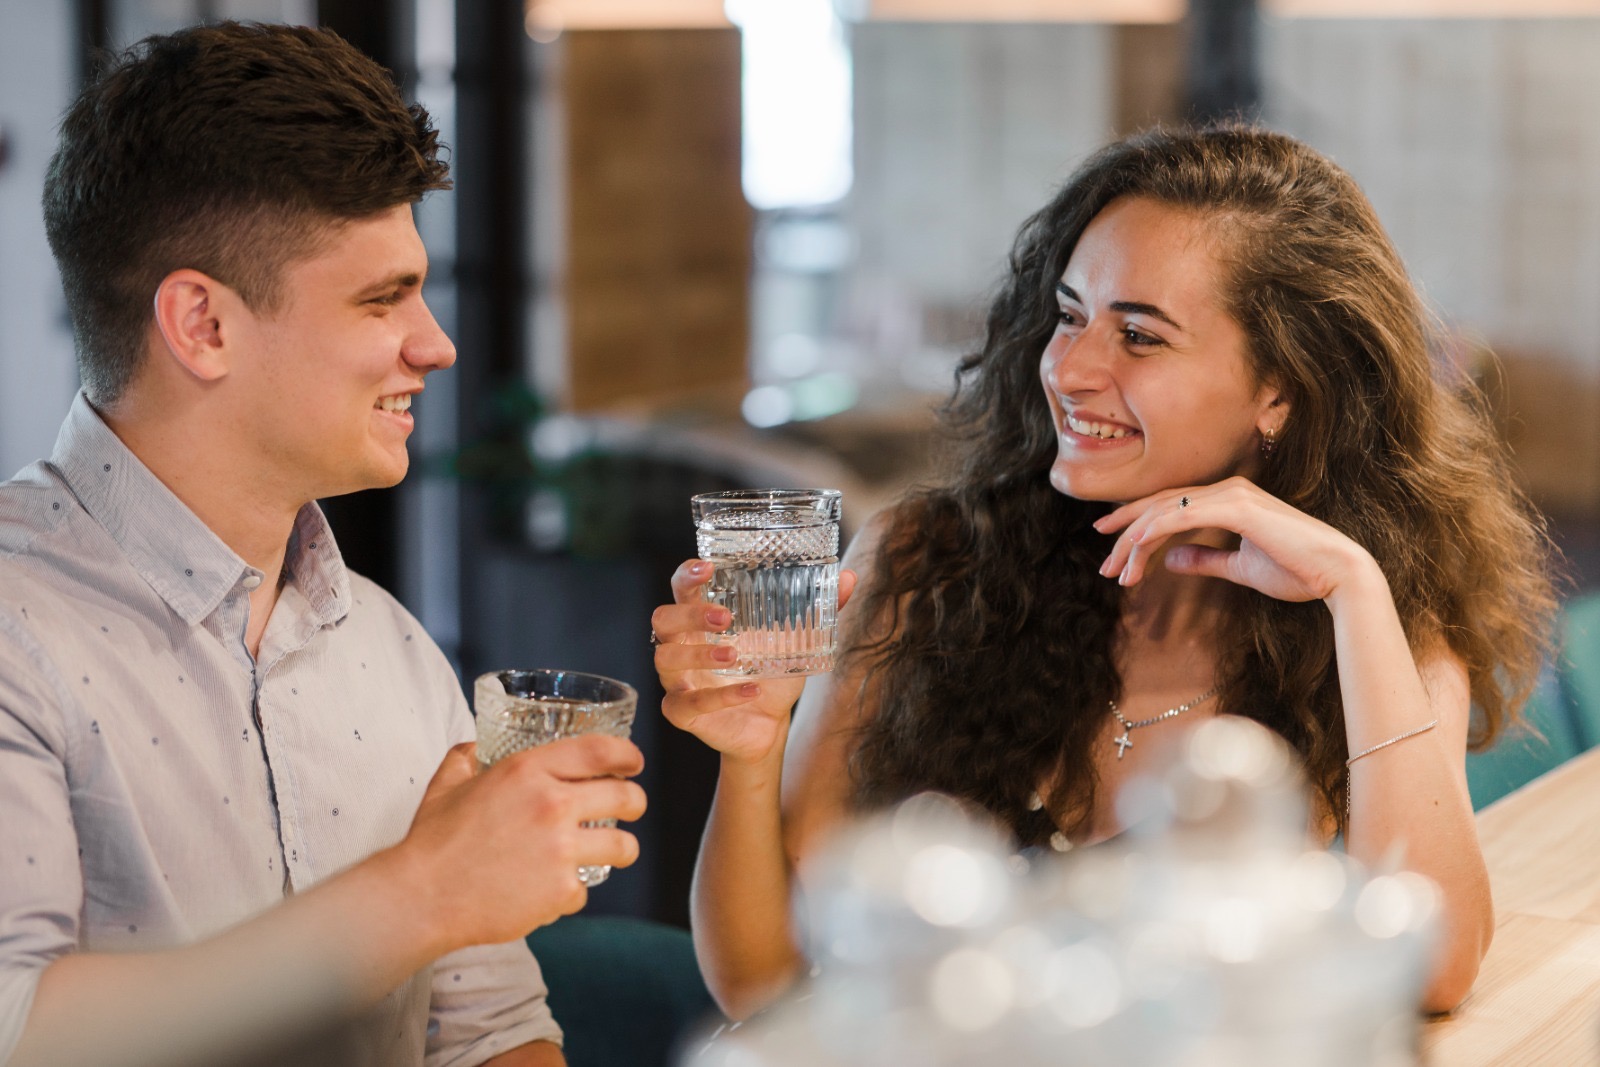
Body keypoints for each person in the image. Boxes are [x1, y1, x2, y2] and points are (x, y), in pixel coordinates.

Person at [651, 124, 1556, 1020]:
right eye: (1072, 315)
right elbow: (765, 987)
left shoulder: (1378, 633)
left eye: (1141, 336)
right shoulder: (923, 568)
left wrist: (1354, 592)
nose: (1070, 367)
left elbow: (1432, 968)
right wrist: (752, 749)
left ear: (1279, 389)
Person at [0, 22, 646, 1067]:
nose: (434, 343)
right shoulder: (15, 633)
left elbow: (493, 1028)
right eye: (381, 296)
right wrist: (421, 892)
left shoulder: (393, 650)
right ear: (202, 324)